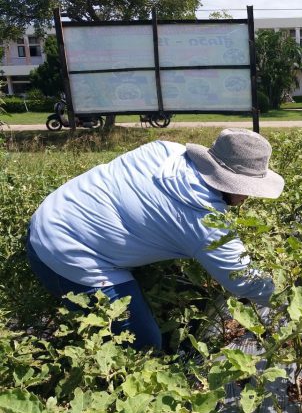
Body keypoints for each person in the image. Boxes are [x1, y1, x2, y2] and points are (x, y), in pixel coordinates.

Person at [26, 128, 284, 351]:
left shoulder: (166, 150)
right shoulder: (203, 222)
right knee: (143, 345)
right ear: (232, 184)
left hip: (54, 210)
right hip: (64, 251)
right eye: (247, 189)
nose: (248, 197)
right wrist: (292, 304)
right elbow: (244, 280)